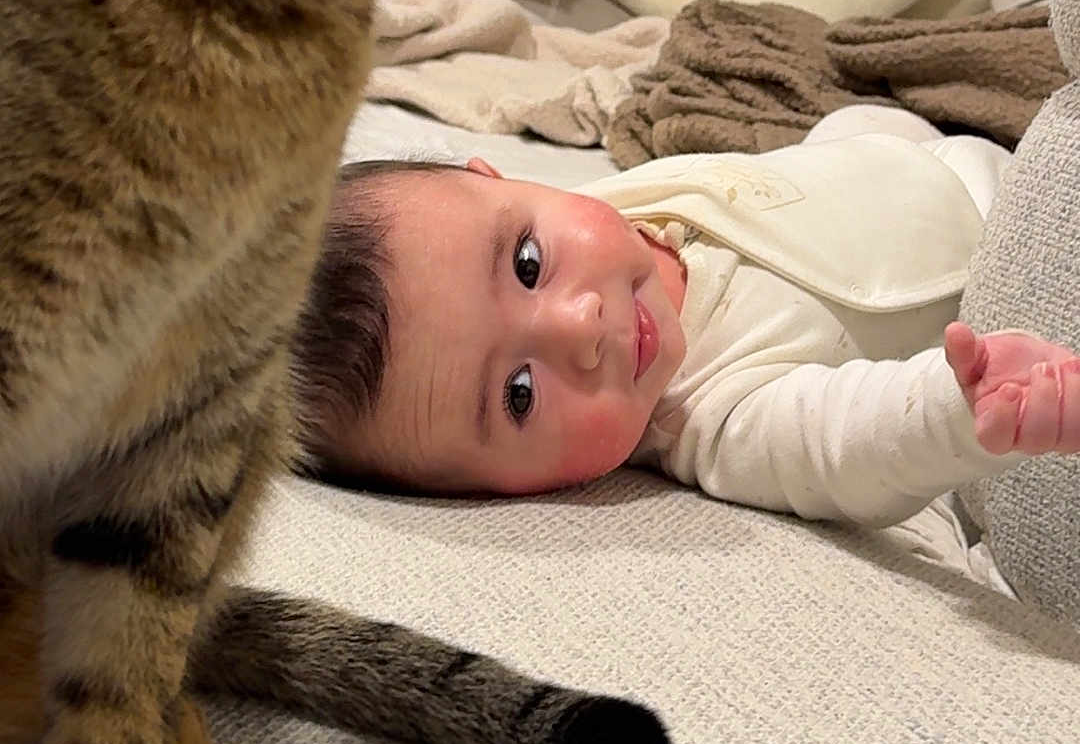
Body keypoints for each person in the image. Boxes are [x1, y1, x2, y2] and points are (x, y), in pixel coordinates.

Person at [293, 106, 1080, 542]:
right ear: (503, 492)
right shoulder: (716, 419)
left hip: (919, 159)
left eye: (528, 263)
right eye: (520, 395)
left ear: (500, 177)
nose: (580, 328)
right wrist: (956, 407)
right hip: (1009, 253)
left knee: (853, 120)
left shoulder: (622, 203)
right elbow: (847, 446)